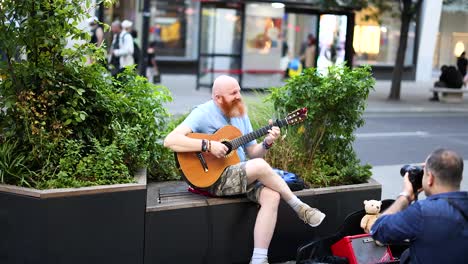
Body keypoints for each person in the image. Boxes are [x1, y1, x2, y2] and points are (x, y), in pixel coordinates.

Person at [163, 75, 326, 264]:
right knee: (259, 167)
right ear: (218, 98)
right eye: (233, 93)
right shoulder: (203, 112)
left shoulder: (240, 114)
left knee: (272, 196)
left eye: (239, 91)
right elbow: (170, 141)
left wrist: (267, 142)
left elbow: (253, 154)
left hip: (238, 175)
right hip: (213, 179)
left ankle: (259, 259)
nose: (239, 96)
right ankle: (299, 207)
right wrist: (208, 145)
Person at [370, 148, 467, 264]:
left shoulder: (422, 212)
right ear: (460, 177)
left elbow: (378, 230)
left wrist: (405, 196)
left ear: (430, 178)